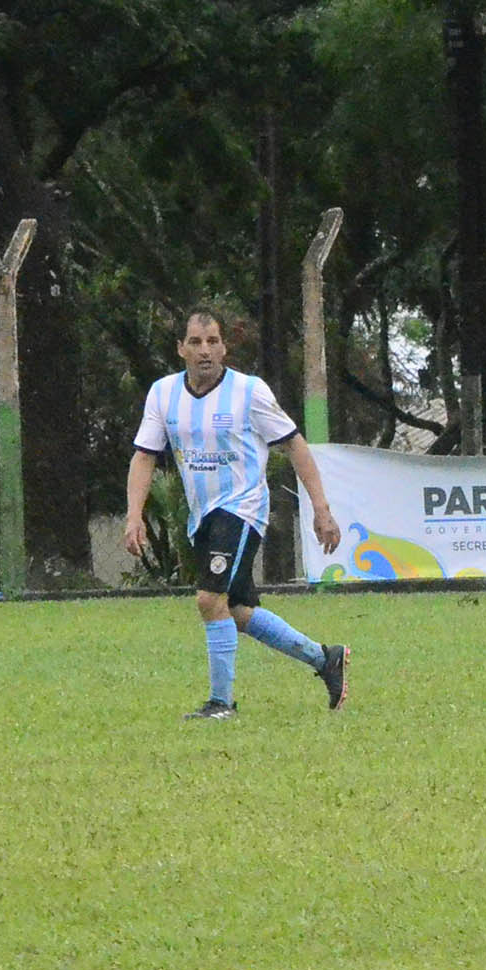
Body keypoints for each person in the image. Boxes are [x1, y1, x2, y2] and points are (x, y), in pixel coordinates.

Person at [122, 308, 350, 721]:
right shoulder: (163, 394)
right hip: (201, 519)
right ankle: (324, 658)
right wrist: (133, 516)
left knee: (210, 600)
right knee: (237, 611)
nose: (205, 351)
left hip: (242, 510)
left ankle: (220, 704)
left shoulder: (249, 391)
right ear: (181, 349)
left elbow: (295, 444)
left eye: (213, 342)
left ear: (225, 347)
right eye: (195, 342)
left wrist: (321, 510)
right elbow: (144, 456)